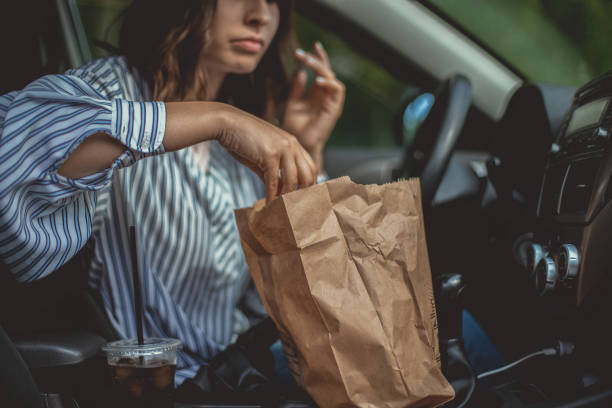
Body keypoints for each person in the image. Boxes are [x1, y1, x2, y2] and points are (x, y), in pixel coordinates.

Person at [86, 0, 345, 385]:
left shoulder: (245, 139)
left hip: (240, 371)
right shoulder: (111, 95)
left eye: (274, 0)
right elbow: (36, 143)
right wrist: (219, 120)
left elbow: (278, 297)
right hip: (169, 386)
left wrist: (306, 149)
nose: (261, 14)